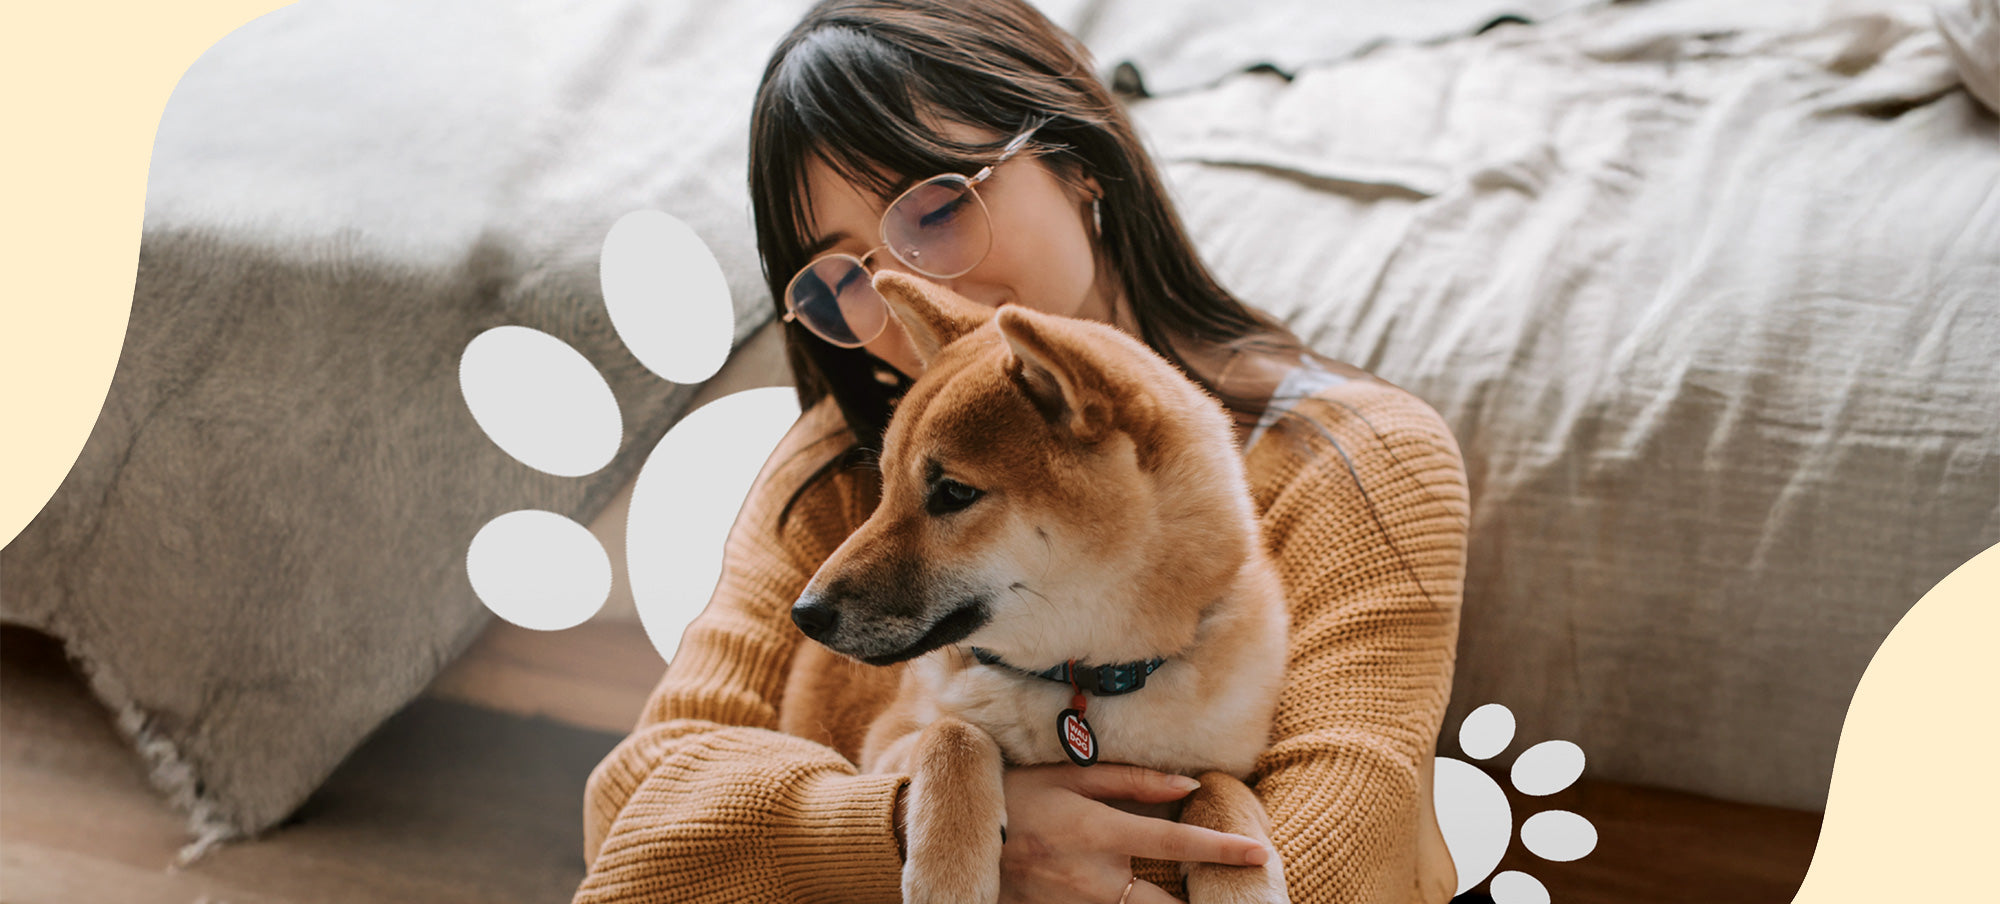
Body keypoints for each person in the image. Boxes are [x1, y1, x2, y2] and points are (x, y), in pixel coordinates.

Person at [573, 2, 1468, 902]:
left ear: (1080, 161)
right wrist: (909, 831)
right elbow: (631, 818)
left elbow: (1338, 870)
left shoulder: (1362, 462)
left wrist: (818, 853)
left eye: (938, 204)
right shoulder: (849, 454)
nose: (904, 296)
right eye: (845, 277)